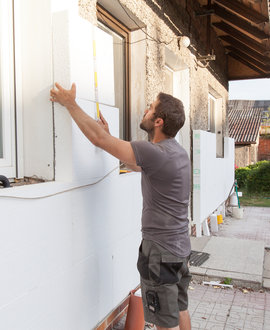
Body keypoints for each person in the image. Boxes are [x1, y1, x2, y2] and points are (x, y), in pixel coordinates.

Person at [50, 83, 192, 330]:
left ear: (158, 121)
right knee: (179, 309)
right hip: (180, 249)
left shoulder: (155, 152)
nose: (144, 111)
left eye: (150, 108)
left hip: (160, 252)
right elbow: (136, 163)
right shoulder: (177, 153)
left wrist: (69, 103)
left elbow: (99, 139)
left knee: (164, 323)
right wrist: (109, 138)